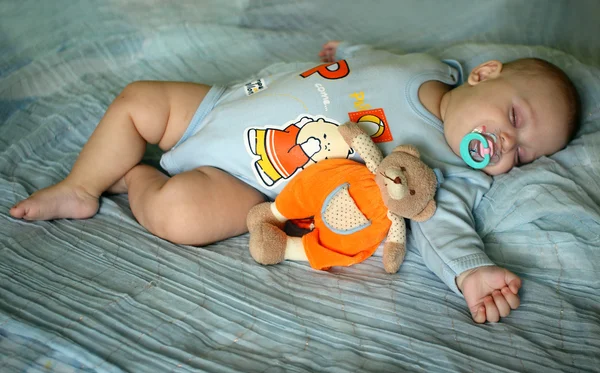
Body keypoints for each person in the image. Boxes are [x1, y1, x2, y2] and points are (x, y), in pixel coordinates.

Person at [10, 41, 580, 323]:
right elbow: (359, 57)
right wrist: (334, 53)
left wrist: (471, 271)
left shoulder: (439, 175)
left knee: (180, 217)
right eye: (513, 120)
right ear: (483, 75)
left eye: (525, 154)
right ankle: (83, 184)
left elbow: (441, 228)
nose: (508, 146)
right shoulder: (426, 64)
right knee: (138, 98)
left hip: (244, 183)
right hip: (222, 107)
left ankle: (134, 178)